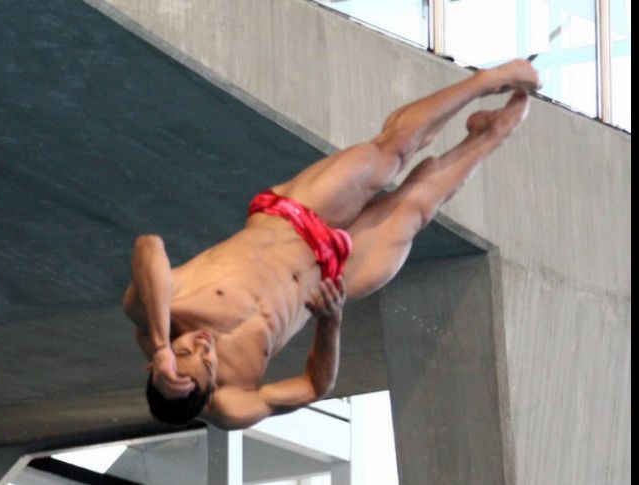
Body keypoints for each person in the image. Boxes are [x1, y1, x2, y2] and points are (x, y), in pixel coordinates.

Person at [122, 59, 540, 430]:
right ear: (212, 390)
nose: (203, 344)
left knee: (390, 151)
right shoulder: (233, 404)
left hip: (293, 215)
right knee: (417, 207)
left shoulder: (150, 313)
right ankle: (494, 133)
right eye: (207, 363)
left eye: (187, 348)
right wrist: (330, 322)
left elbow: (149, 246)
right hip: (332, 278)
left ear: (157, 362)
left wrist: (162, 343)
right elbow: (314, 385)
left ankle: (486, 81)